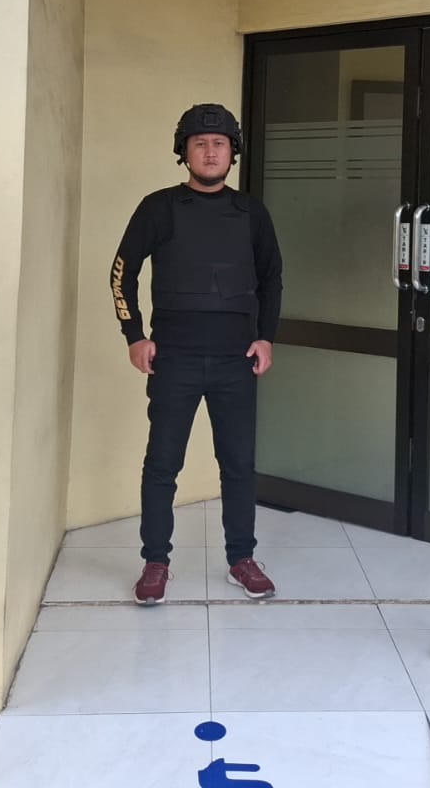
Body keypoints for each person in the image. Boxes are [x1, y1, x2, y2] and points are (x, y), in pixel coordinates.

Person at [111, 103, 284, 605]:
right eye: (200, 143)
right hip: (175, 358)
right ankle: (155, 562)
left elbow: (272, 278)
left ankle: (242, 558)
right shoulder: (158, 207)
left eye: (219, 144)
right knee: (163, 463)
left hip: (236, 359)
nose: (210, 152)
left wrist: (266, 337)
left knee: (238, 464)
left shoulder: (251, 213)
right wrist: (134, 335)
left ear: (233, 152)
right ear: (184, 151)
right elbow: (122, 271)